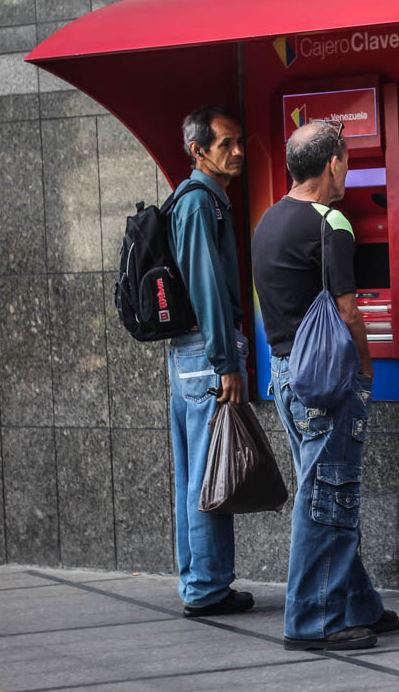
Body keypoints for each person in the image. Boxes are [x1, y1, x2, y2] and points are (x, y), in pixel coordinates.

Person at [251, 120, 397, 651]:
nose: (349, 168)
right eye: (347, 158)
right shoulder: (330, 221)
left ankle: (358, 603)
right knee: (327, 496)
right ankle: (312, 621)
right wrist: (366, 365)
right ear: (332, 162)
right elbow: (348, 308)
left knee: (323, 489)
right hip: (327, 381)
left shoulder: (269, 220)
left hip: (287, 375)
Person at [167, 105, 254, 618]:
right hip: (206, 354)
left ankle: (200, 582)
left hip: (190, 355)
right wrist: (228, 362)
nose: (237, 151)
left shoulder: (201, 200)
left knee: (194, 474)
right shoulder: (201, 204)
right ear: (199, 151)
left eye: (239, 141)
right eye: (226, 144)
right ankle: (206, 589)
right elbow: (207, 291)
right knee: (209, 473)